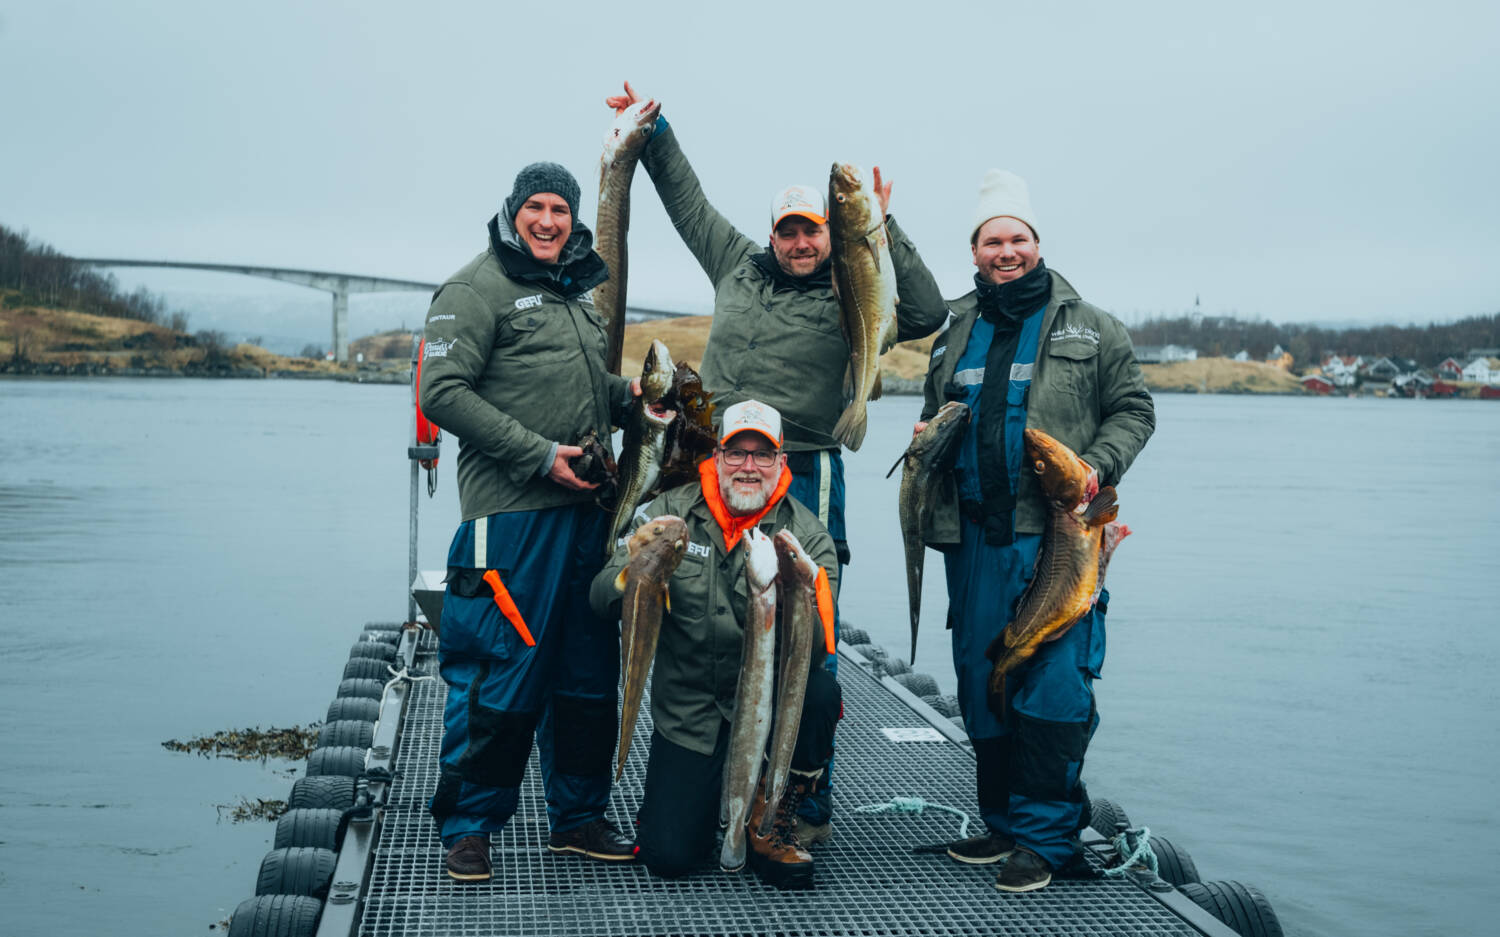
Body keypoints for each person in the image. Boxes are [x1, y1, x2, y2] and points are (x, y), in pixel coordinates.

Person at [604, 80, 949, 838]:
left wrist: (886, 228)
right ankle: (704, 752)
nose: (800, 242)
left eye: (813, 230)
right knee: (701, 608)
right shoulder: (733, 260)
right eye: (789, 230)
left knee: (811, 629)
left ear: (833, 234)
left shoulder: (855, 289)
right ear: (773, 232)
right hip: (710, 463)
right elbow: (687, 202)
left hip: (805, 465)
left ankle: (801, 790)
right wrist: (653, 137)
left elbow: (925, 314)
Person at [915, 169, 1155, 892]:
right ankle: (1002, 824)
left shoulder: (1092, 325)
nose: (1006, 250)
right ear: (976, 250)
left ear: (1037, 243)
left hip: (1055, 538)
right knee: (983, 678)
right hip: (972, 538)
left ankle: (1047, 841)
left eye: (1018, 238)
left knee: (1054, 685)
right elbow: (940, 415)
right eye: (993, 240)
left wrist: (1096, 468)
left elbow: (1135, 410)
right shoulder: (955, 327)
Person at [419, 161, 640, 883]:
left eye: (561, 211)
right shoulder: (475, 287)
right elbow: (442, 391)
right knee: (497, 676)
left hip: (585, 514)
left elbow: (582, 390)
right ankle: (469, 826)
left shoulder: (572, 293)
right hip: (510, 519)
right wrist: (540, 456)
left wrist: (632, 397)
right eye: (536, 208)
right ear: (514, 211)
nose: (549, 222)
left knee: (584, 674)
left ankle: (577, 816)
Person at [589, 400, 842, 890]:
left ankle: (777, 808)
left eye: (763, 455)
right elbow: (599, 596)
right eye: (737, 453)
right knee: (669, 856)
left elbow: (818, 646)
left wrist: (800, 591)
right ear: (717, 457)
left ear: (782, 463)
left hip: (769, 712)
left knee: (820, 694)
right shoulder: (667, 513)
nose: (749, 467)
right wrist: (635, 571)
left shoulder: (808, 536)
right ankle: (701, 803)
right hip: (692, 715)